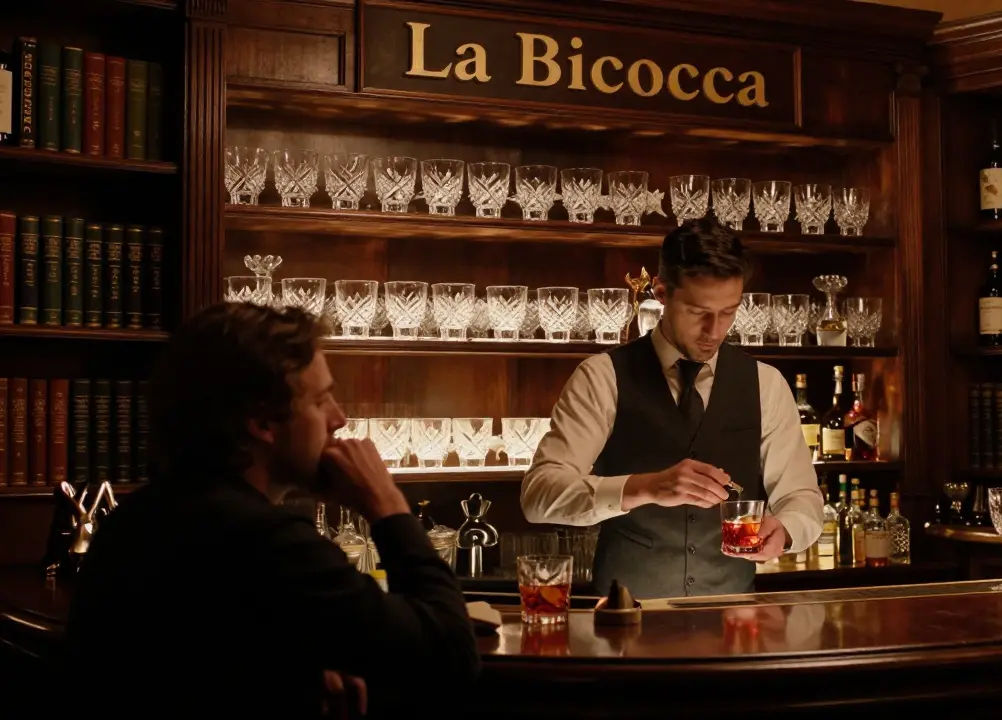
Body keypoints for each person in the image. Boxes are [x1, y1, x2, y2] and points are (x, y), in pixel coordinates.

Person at [64, 302, 479, 718]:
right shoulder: (265, 541)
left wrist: (294, 676)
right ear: (263, 422)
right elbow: (448, 653)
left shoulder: (137, 518)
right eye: (321, 401)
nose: (340, 418)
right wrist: (387, 505)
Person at [521, 218, 824, 599]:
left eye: (729, 311)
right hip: (624, 622)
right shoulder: (603, 376)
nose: (715, 330)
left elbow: (802, 497)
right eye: (698, 312)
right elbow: (539, 496)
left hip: (733, 624)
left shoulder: (766, 384)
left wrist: (787, 529)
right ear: (662, 293)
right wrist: (645, 487)